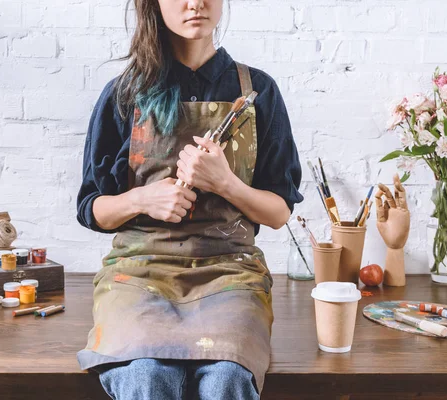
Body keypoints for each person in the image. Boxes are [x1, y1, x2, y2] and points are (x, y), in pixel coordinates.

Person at [75, 0, 303, 398]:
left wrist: (225, 182)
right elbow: (91, 208)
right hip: (138, 273)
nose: (195, 3)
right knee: (147, 374)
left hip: (231, 274)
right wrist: (142, 200)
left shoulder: (257, 92)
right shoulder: (125, 94)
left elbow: (280, 211)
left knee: (226, 378)